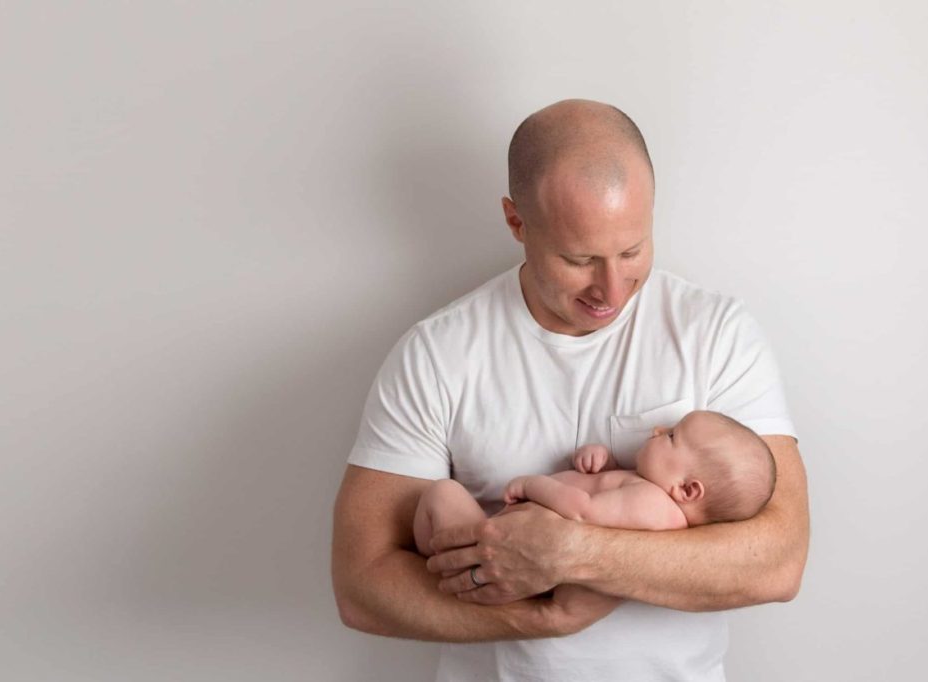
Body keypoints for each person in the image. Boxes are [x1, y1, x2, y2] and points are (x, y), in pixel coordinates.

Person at [332, 99, 809, 681]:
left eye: (632, 251)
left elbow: (778, 561)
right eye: (579, 259)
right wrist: (542, 618)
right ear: (516, 222)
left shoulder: (715, 334)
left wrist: (575, 556)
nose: (612, 289)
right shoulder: (437, 354)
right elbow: (363, 584)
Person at [414, 410, 777, 561]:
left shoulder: (654, 506)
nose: (657, 430)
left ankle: (450, 561)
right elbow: (604, 495)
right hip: (509, 538)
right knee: (442, 499)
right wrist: (600, 463)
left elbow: (582, 510)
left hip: (509, 551)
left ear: (687, 490)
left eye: (670, 437)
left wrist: (532, 485)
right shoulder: (645, 490)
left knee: (442, 494)